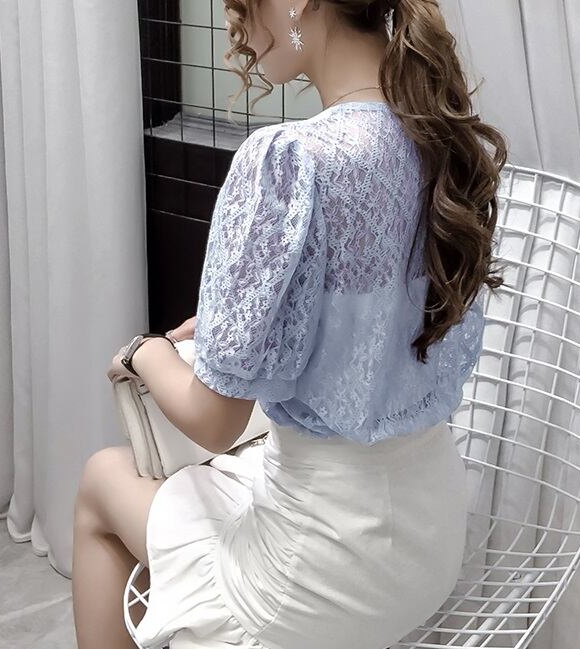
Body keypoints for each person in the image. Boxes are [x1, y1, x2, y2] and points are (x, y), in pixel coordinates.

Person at [72, 1, 508, 648]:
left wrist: (145, 352)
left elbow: (214, 422)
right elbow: (366, 326)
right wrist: (234, 333)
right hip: (432, 537)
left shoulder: (291, 161)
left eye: (239, 5)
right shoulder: (441, 142)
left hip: (318, 570)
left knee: (101, 482)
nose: (235, 29)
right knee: (205, 482)